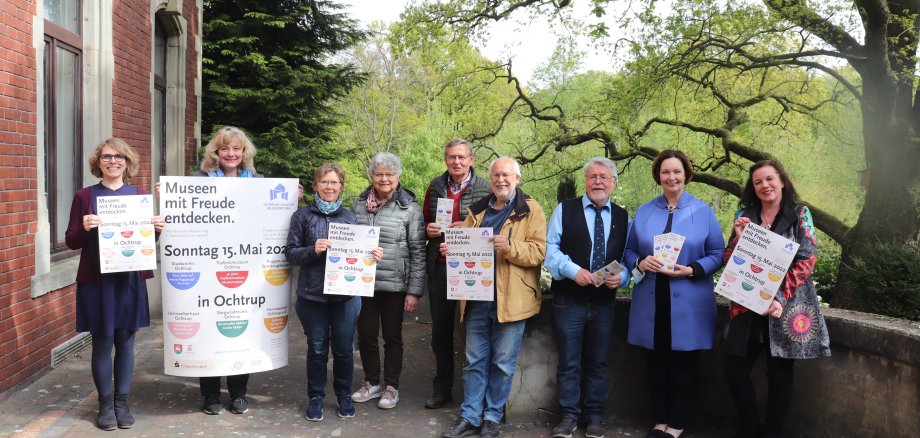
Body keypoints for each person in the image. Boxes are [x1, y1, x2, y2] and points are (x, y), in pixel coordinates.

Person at [721, 160, 830, 438]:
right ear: (753, 188)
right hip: (746, 304)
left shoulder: (799, 214)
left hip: (785, 305)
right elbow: (728, 260)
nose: (764, 185)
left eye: (769, 179)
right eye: (758, 182)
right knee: (735, 370)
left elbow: (807, 260)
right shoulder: (745, 215)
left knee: (780, 375)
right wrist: (737, 238)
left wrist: (780, 296)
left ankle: (773, 432)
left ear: (782, 181)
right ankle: (749, 428)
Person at [441, 157, 547, 438]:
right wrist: (452, 250)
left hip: (512, 300)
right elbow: (465, 247)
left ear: (518, 178)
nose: (501, 180)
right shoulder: (476, 211)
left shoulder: (531, 209)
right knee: (474, 361)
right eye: (496, 175)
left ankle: (492, 416)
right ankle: (469, 416)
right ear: (491, 179)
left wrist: (510, 246)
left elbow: (538, 253)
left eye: (507, 175)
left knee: (502, 363)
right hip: (476, 298)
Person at [623, 150, 725, 438]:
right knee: (655, 363)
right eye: (666, 172)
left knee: (684, 364)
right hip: (651, 300)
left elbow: (719, 253)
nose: (671, 177)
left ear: (686, 175)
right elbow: (629, 251)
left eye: (677, 172)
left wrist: (693, 269)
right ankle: (660, 421)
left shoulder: (703, 211)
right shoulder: (644, 211)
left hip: (690, 300)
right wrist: (639, 262)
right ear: (658, 176)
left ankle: (676, 424)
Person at [65, 138, 166, 430]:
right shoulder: (84, 196)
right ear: (98, 163)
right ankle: (105, 405)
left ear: (127, 162)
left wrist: (155, 232)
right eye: (107, 157)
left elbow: (141, 243)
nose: (113, 161)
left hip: (128, 279)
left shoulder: (138, 195)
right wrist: (84, 228)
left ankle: (122, 403)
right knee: (102, 341)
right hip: (97, 281)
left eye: (119, 156)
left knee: (126, 341)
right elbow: (72, 240)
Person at [285, 163, 383, 421]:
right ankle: (315, 397)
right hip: (312, 296)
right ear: (316, 185)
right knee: (317, 350)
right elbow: (290, 253)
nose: (330, 187)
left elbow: (360, 254)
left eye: (335, 183)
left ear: (342, 186)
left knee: (343, 349)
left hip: (345, 297)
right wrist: (312, 249)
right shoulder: (302, 216)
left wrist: (372, 255)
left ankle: (342, 394)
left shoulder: (351, 217)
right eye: (325, 182)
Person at [545, 157, 631, 438]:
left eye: (604, 177)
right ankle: (569, 416)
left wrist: (624, 277)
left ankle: (594, 416)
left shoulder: (623, 216)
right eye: (592, 176)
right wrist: (573, 271)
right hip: (568, 300)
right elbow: (551, 251)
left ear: (613, 182)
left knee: (598, 362)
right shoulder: (564, 210)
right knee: (569, 362)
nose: (597, 182)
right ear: (585, 181)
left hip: (604, 303)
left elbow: (629, 258)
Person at [350, 152, 426, 410]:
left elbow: (418, 250)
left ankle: (391, 387)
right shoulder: (357, 204)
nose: (384, 179)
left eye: (389, 174)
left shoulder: (410, 208)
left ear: (398, 177)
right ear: (371, 176)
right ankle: (371, 381)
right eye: (379, 174)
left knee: (392, 337)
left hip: (395, 284)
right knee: (366, 335)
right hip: (363, 282)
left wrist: (414, 291)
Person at [193, 126, 260, 415]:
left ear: (244, 153)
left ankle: (238, 394)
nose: (231, 154)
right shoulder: (198, 180)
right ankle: (210, 396)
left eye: (236, 149)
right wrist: (167, 195)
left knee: (238, 330)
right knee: (209, 331)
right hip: (207, 269)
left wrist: (291, 196)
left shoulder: (258, 182)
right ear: (216, 152)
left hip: (244, 268)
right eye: (225, 149)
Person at [421, 139, 491, 409]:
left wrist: (468, 228)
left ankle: (476, 393)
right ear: (445, 159)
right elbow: (425, 219)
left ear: (472, 159)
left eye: (462, 157)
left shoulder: (486, 188)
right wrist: (428, 228)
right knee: (440, 332)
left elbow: (494, 224)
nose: (457, 162)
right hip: (440, 267)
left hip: (472, 267)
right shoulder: (436, 186)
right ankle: (442, 389)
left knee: (476, 331)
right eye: (452, 157)